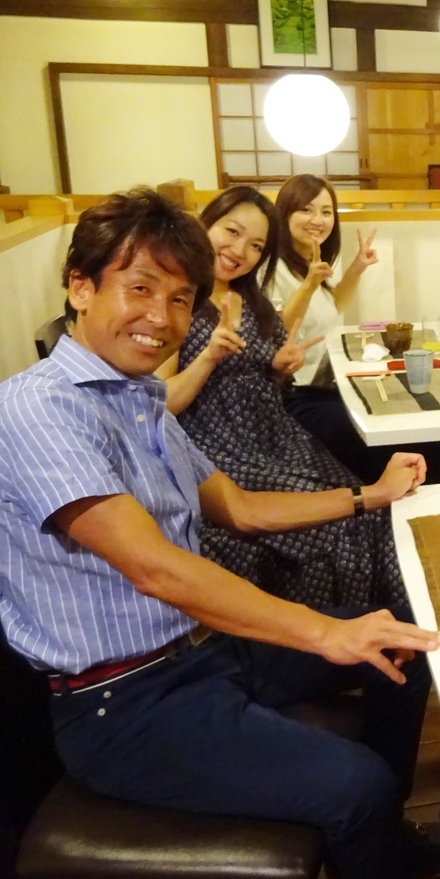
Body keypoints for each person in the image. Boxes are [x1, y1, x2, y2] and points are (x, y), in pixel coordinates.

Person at [0, 188, 440, 879]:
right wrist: (322, 632)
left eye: (181, 298)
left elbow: (239, 509)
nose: (161, 317)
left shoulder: (137, 399)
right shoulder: (36, 411)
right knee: (356, 782)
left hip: (200, 652)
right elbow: (156, 568)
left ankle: (379, 842)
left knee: (398, 649)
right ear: (80, 287)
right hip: (124, 704)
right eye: (140, 288)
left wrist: (369, 496)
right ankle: (373, 833)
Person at [159, 186, 408, 610]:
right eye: (231, 232)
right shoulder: (178, 299)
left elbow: (256, 376)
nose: (240, 251)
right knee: (339, 523)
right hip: (222, 453)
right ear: (205, 225)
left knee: (373, 510)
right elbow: (160, 403)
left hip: (276, 438)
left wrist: (277, 368)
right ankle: (341, 627)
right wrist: (207, 358)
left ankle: (392, 624)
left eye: (256, 246)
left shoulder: (246, 296)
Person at [268, 174, 388, 482]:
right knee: (375, 440)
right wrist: (310, 283)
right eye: (306, 210)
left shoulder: (305, 263)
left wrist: (356, 269)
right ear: (284, 213)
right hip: (293, 395)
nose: (317, 220)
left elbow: (331, 307)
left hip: (324, 387)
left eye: (326, 211)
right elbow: (278, 331)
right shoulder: (272, 267)